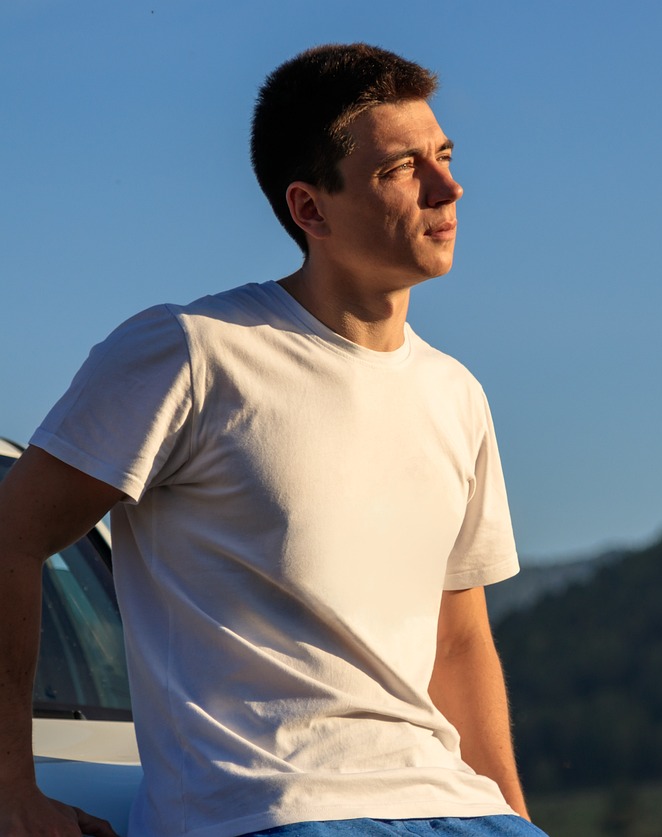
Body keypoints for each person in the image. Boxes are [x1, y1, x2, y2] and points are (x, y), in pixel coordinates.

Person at [0, 43, 545, 837]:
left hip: (456, 808)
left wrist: (512, 814)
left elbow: (459, 641)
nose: (448, 187)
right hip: (273, 810)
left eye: (445, 156)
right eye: (402, 168)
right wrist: (13, 792)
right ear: (310, 209)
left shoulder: (456, 394)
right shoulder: (193, 352)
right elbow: (13, 534)